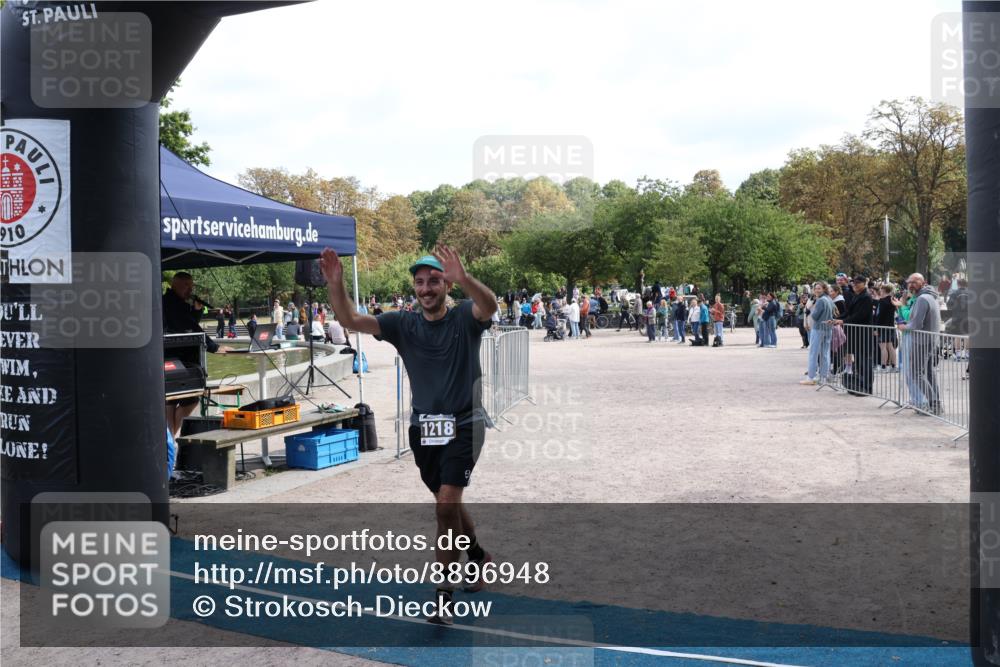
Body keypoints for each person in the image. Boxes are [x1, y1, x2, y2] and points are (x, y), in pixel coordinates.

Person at [320, 244, 497, 624]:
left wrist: (466, 278)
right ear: (414, 288)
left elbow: (490, 305)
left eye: (434, 281)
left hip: (465, 424)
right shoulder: (402, 323)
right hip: (424, 429)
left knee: (445, 506)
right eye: (420, 282)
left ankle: (444, 595)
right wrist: (335, 283)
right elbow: (350, 318)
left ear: (447, 285)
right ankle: (478, 555)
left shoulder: (465, 316)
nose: (426, 288)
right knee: (448, 504)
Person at [162, 272, 231, 436]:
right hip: (176, 359)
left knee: (174, 401)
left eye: (191, 286)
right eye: (187, 285)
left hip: (176, 358)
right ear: (176, 284)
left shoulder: (175, 302)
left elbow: (187, 324)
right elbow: (191, 328)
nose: (190, 290)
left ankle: (169, 441)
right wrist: (214, 347)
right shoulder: (172, 303)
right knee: (182, 401)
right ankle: (170, 440)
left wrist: (196, 311)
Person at [898, 273, 942, 415]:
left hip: (922, 341)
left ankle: (934, 404)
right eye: (909, 282)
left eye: (915, 281)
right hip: (930, 340)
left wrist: (904, 327)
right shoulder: (929, 296)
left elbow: (916, 324)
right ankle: (936, 405)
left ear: (923, 283)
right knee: (928, 373)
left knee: (915, 373)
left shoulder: (922, 298)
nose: (911, 284)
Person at [832, 275, 874, 395]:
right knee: (858, 361)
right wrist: (836, 319)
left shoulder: (866, 297)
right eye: (853, 283)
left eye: (857, 283)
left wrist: (843, 321)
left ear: (864, 283)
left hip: (863, 333)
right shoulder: (856, 295)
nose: (854, 285)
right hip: (856, 333)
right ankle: (859, 385)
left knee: (864, 361)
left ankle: (867, 387)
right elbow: (848, 312)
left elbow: (860, 315)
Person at [801, 282, 834, 385]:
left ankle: (811, 377)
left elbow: (815, 316)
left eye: (819, 288)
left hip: (818, 328)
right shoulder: (829, 299)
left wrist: (811, 310)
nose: (816, 290)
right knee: (825, 353)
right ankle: (824, 377)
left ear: (824, 289)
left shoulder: (820, 300)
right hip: (828, 328)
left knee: (813, 353)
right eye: (815, 288)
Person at [873, 284, 897, 371]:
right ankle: (893, 366)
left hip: (882, 327)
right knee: (890, 346)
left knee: (883, 347)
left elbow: (879, 316)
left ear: (883, 290)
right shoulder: (893, 300)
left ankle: (883, 366)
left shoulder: (882, 301)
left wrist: (876, 328)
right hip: (890, 326)